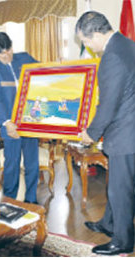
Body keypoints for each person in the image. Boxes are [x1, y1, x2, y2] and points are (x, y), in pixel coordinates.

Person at [75, 11, 135, 255]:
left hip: (125, 133)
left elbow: (108, 103)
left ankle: (123, 240)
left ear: (97, 34)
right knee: (118, 184)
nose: (87, 46)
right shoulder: (128, 44)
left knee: (120, 189)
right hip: (130, 128)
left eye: (86, 41)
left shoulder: (112, 57)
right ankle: (109, 223)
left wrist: (91, 133)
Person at [0, 32, 39, 203]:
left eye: (8, 50)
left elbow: (43, 70)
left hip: (30, 120)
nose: (7, 55)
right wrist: (7, 123)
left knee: (32, 163)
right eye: (2, 53)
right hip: (10, 124)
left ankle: (31, 199)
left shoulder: (24, 58)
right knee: (12, 164)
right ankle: (10, 200)